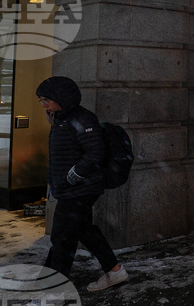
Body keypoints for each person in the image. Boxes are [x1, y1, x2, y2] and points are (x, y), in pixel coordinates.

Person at [37, 76, 128, 292]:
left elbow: (95, 153)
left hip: (80, 189)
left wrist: (71, 176)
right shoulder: (61, 120)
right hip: (70, 189)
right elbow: (61, 156)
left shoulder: (83, 119)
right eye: (41, 101)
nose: (44, 105)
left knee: (63, 239)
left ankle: (52, 291)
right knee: (84, 231)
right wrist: (54, 180)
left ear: (61, 99)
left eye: (46, 100)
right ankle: (115, 271)